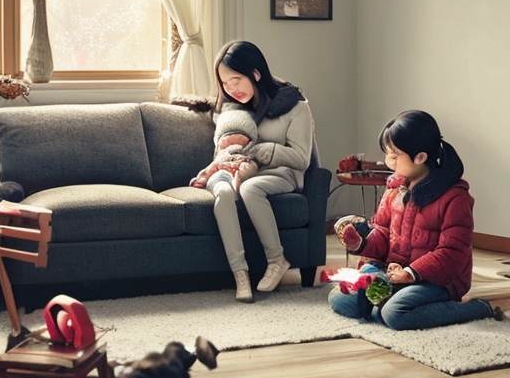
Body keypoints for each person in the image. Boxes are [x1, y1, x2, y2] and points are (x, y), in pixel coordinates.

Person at [329, 110, 503, 330]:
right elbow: (382, 231)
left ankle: (478, 309)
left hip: (437, 280)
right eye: (387, 154)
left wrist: (410, 274)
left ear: (420, 157)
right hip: (393, 272)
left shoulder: (454, 197)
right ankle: (385, 302)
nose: (388, 161)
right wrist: (360, 243)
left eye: (394, 155)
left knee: (394, 314)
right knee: (340, 298)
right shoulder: (394, 188)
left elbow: (452, 253)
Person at [210, 40, 314, 303]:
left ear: (255, 73)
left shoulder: (296, 107)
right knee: (225, 192)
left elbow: (302, 158)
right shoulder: (232, 110)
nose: (231, 89)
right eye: (225, 84)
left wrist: (265, 151)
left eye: (236, 80)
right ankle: (240, 274)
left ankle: (277, 259)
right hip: (241, 169)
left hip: (282, 172)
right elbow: (223, 147)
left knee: (250, 188)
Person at [189, 109, 259, 193]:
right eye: (227, 140)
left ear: (250, 144)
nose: (233, 145)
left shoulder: (249, 159)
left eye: (240, 140)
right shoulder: (220, 159)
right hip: (222, 182)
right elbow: (208, 171)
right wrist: (201, 180)